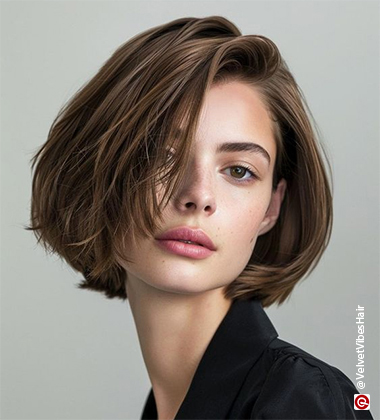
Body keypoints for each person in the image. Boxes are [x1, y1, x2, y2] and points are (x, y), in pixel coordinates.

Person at [26, 16, 374, 420]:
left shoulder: (302, 401)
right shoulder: (165, 406)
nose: (198, 196)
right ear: (96, 176)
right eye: (160, 157)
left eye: (239, 170)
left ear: (271, 208)